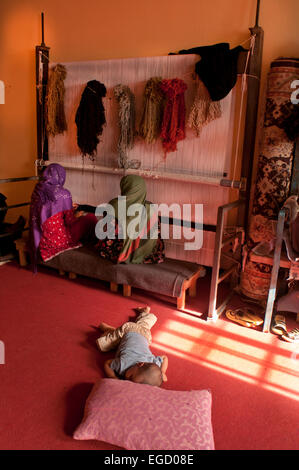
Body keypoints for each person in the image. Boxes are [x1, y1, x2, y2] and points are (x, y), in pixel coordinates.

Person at [29, 163, 97, 270]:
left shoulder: (38, 190)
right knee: (90, 218)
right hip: (56, 240)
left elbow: (47, 209)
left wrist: (66, 206)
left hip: (40, 237)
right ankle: (94, 246)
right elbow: (69, 221)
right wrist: (77, 214)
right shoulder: (64, 194)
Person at [96, 175, 164, 264]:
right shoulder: (150, 208)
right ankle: (137, 254)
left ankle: (126, 254)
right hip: (147, 253)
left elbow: (106, 231)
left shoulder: (114, 204)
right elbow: (157, 236)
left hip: (116, 251)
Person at [96, 306, 168, 387]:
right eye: (131, 377)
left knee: (149, 320)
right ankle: (109, 330)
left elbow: (164, 358)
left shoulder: (153, 364)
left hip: (144, 335)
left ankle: (145, 312)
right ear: (140, 364)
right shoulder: (123, 364)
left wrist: (162, 371)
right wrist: (112, 376)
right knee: (102, 345)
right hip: (128, 330)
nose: (128, 381)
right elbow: (107, 363)